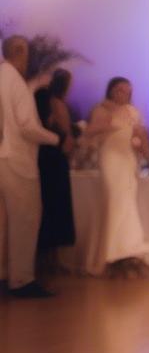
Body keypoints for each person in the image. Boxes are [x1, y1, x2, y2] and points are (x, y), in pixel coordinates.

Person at [0, 36, 60, 298]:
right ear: (20, 53)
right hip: (17, 159)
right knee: (25, 218)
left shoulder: (5, 76)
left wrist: (34, 85)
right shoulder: (15, 81)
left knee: (2, 221)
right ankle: (22, 280)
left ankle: (3, 276)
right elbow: (25, 125)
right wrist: (55, 138)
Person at [85, 77, 149, 278]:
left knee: (127, 205)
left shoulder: (133, 112)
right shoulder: (102, 109)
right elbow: (90, 133)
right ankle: (111, 255)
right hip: (111, 159)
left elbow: (138, 140)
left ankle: (126, 252)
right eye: (120, 90)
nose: (124, 94)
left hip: (128, 160)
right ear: (112, 90)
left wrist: (140, 144)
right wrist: (111, 119)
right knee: (116, 203)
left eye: (128, 91)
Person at [34, 67, 77, 273]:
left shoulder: (47, 102)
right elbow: (65, 134)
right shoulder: (56, 103)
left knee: (53, 207)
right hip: (55, 160)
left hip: (50, 159)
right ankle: (51, 261)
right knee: (55, 206)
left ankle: (50, 260)